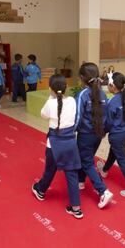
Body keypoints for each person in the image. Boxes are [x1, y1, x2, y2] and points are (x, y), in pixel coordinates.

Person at [31, 74, 83, 219]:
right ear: (66, 87)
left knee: (50, 170)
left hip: (53, 144)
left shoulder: (51, 103)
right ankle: (76, 208)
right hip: (70, 143)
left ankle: (40, 190)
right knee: (72, 174)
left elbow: (43, 115)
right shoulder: (72, 101)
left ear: (50, 89)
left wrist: (51, 96)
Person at [75, 62, 114, 209]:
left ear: (82, 77)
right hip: (98, 135)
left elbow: (77, 117)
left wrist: (71, 131)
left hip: (85, 135)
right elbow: (106, 116)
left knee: (86, 162)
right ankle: (80, 181)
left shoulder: (83, 94)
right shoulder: (103, 93)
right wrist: (103, 131)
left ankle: (103, 191)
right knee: (86, 157)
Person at [97, 72, 125, 199]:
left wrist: (103, 131)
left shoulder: (112, 101)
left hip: (117, 135)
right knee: (114, 151)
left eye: (108, 85)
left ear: (112, 86)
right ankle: (104, 170)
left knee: (122, 159)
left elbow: (109, 122)